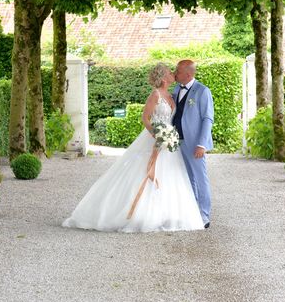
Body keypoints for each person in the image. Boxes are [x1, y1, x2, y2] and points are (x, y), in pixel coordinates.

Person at [62, 63, 204, 233]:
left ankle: (165, 214)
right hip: (154, 138)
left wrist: (168, 137)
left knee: (170, 175)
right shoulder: (155, 95)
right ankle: (138, 214)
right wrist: (157, 134)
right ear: (163, 77)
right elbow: (145, 118)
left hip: (169, 143)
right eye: (169, 71)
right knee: (142, 173)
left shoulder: (172, 95)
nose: (173, 73)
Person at [172, 59, 214, 228]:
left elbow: (207, 118)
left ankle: (204, 216)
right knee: (188, 179)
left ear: (188, 74)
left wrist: (202, 144)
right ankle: (192, 213)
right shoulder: (176, 89)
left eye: (178, 71)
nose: (175, 73)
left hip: (195, 143)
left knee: (200, 179)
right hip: (177, 141)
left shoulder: (202, 91)